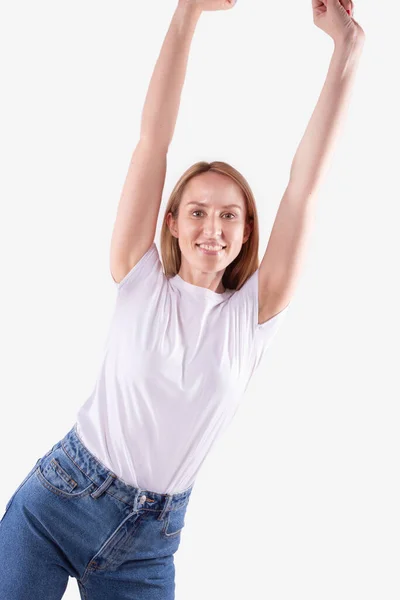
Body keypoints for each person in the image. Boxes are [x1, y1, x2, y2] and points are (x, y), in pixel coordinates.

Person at [0, 0, 365, 598]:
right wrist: (187, 13)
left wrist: (345, 50)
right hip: (57, 502)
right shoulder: (137, 274)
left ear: (249, 231)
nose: (212, 229)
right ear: (171, 222)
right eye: (197, 212)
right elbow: (153, 140)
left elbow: (306, 185)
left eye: (229, 215)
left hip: (147, 544)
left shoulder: (256, 311)